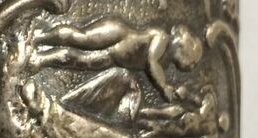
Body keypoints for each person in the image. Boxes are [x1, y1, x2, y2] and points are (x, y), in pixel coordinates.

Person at [32, 17, 202, 102]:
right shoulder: (162, 37)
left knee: (80, 60)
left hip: (114, 58)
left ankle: (42, 59)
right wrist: (163, 86)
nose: (190, 66)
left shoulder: (164, 63)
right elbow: (151, 61)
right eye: (191, 60)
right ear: (182, 45)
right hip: (117, 34)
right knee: (80, 38)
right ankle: (40, 37)